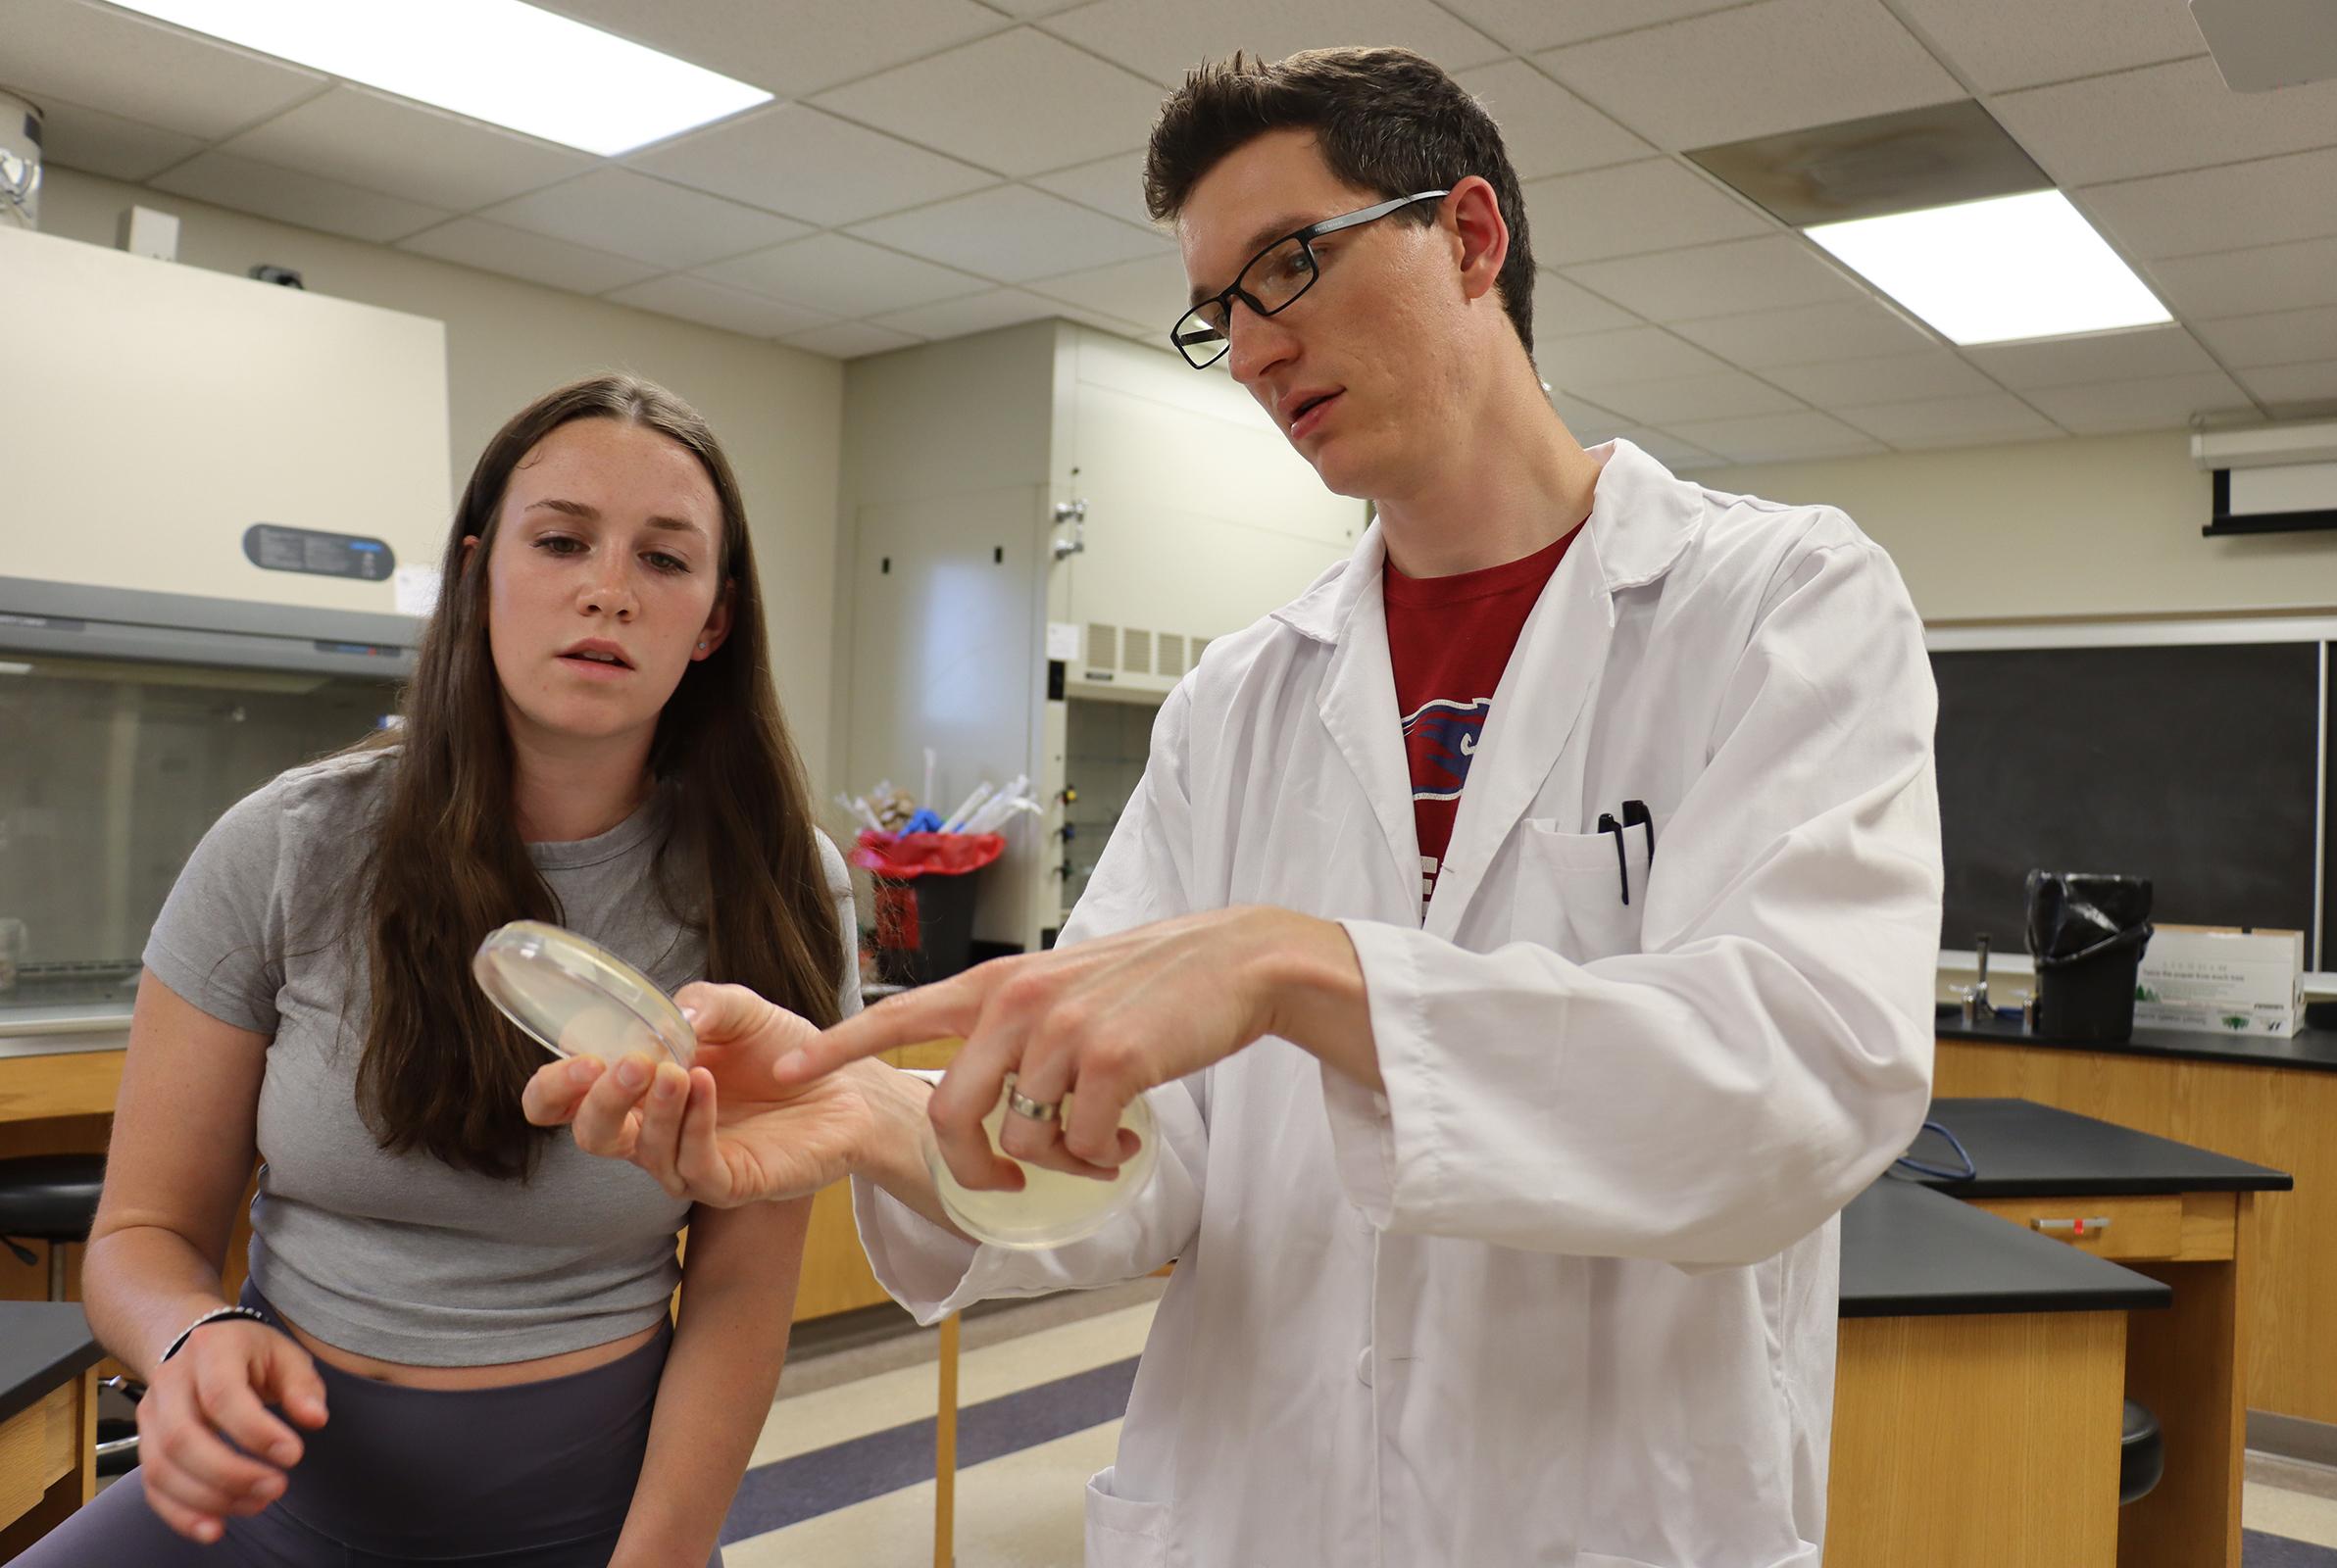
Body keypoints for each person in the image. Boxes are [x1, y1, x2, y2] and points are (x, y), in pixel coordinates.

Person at [530, 47, 1943, 1568]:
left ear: (1471, 236)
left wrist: (1300, 970)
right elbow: (1142, 1179)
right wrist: (875, 1117)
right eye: (1222, 310)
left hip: (1606, 1519)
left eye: (1293, 266)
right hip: (1255, 1514)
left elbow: (1807, 1086)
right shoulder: (1244, 701)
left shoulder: (1778, 604)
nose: (1259, 351)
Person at [24, 374, 860, 1567]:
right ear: (478, 576)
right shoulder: (287, 844)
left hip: (594, 1526)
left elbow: (739, 1291)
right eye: (562, 541)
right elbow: (142, 1231)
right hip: (257, 1510)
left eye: (664, 561)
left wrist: (663, 1555)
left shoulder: (781, 882)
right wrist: (190, 1336)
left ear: (714, 620)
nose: (608, 590)